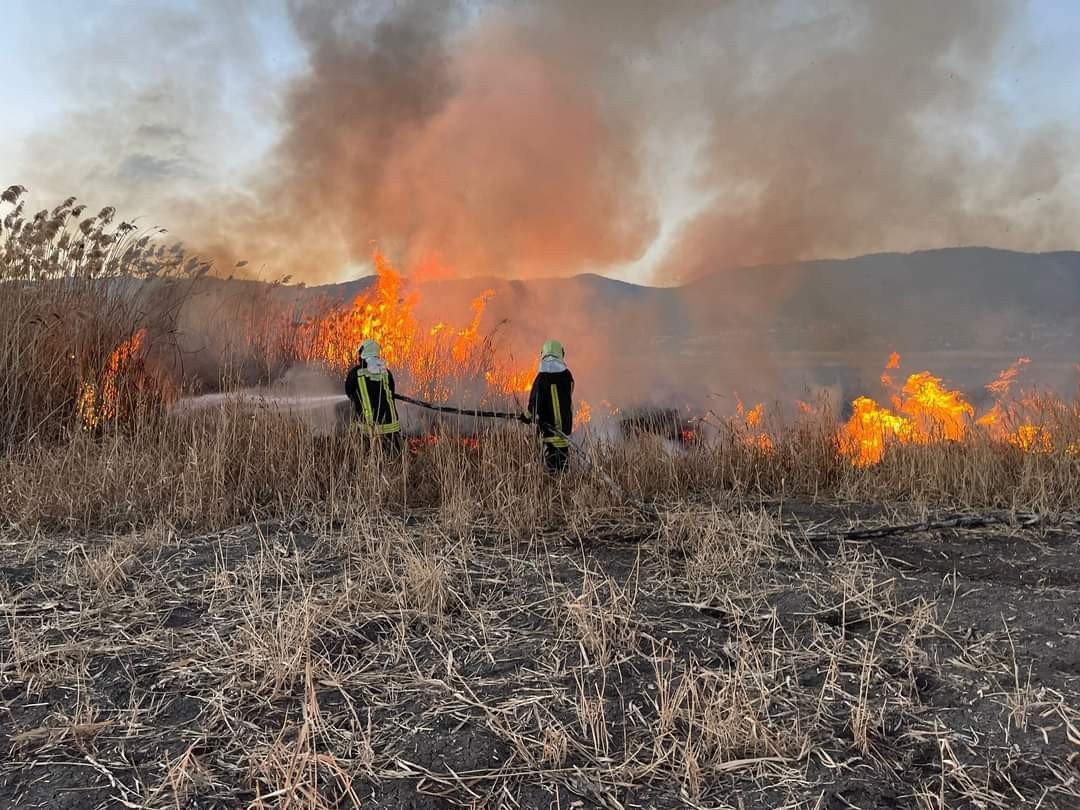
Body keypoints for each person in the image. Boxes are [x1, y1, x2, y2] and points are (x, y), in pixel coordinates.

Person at [522, 339, 574, 472]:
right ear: (561, 354)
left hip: (550, 430)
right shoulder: (567, 376)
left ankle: (555, 483)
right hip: (564, 430)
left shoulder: (542, 378)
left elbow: (534, 403)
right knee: (563, 466)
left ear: (543, 355)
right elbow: (569, 393)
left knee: (552, 469)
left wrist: (527, 416)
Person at [345, 339, 402, 451]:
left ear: (363, 353)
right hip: (391, 428)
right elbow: (391, 392)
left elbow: (349, 393)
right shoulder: (386, 372)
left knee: (367, 459)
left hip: (368, 430)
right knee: (393, 459)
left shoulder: (355, 373)